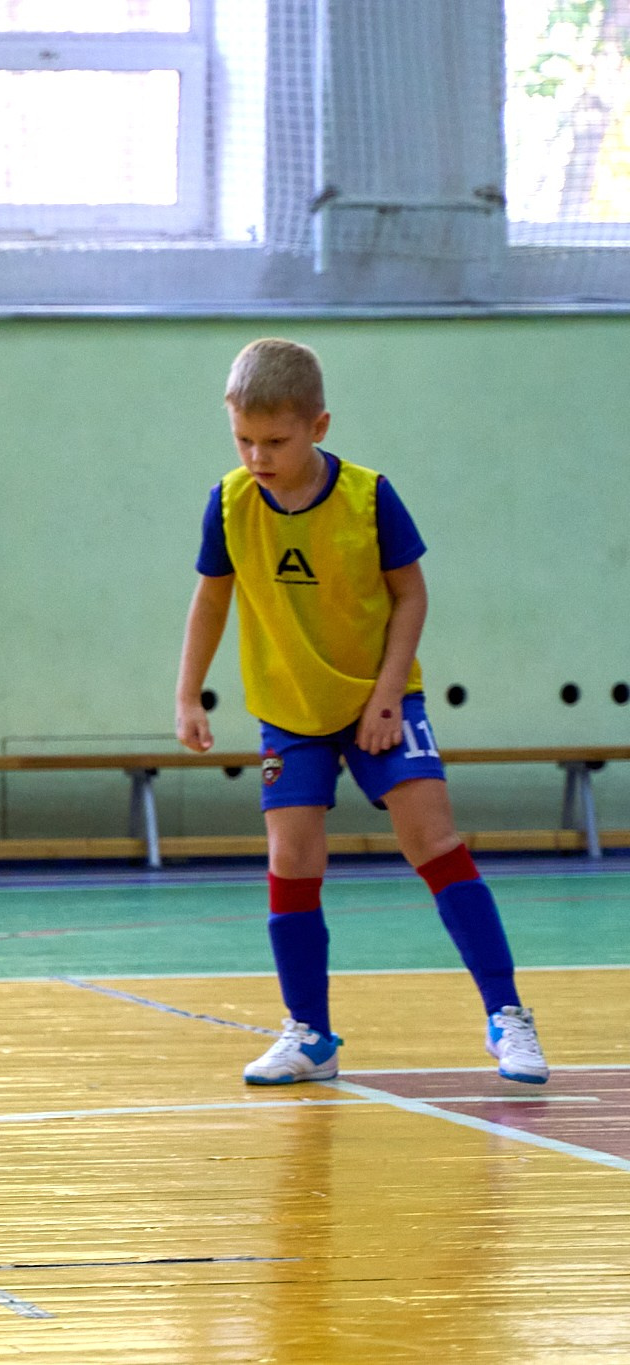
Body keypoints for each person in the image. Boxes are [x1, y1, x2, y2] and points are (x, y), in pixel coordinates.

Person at [175, 339, 547, 1086]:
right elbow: (212, 597)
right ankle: (310, 1034)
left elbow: (411, 593)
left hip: (380, 696)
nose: (257, 456)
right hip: (291, 708)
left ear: (319, 425)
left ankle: (509, 1016)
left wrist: (386, 694)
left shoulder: (369, 495)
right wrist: (188, 693)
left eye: (274, 441)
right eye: (243, 439)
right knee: (292, 858)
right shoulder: (230, 502)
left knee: (433, 839)